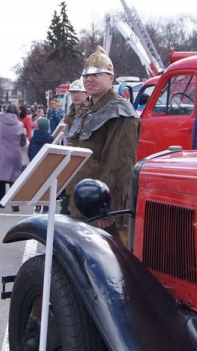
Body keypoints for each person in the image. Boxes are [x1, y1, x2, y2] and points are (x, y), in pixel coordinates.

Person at [65, 46, 140, 247]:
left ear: (110, 78)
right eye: (86, 75)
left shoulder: (120, 111)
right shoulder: (86, 110)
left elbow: (119, 165)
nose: (89, 79)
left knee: (107, 267)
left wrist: (106, 208)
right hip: (80, 202)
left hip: (101, 208)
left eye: (96, 74)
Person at [0, 103, 26, 212]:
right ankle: (14, 202)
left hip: (0, 153)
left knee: (0, 178)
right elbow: (23, 142)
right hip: (15, 154)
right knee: (14, 178)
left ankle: (0, 202)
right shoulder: (19, 124)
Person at [60, 78, 90, 214]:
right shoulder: (70, 114)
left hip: (84, 164)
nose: (76, 95)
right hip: (69, 163)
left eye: (79, 92)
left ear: (86, 94)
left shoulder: (90, 114)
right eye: (73, 92)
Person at [28, 117, 54, 213]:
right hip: (47, 164)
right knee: (47, 184)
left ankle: (38, 205)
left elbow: (30, 152)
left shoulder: (33, 138)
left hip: (36, 163)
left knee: (37, 184)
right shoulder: (50, 138)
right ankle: (46, 204)